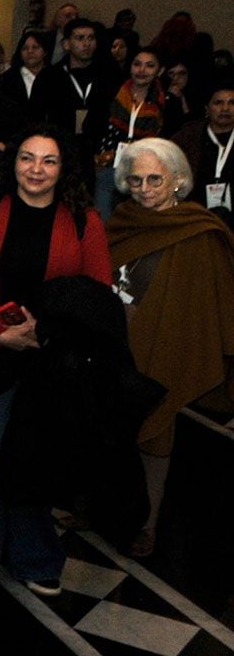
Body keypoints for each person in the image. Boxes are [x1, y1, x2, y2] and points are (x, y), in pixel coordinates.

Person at [0, 127, 111, 596]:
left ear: (64, 169)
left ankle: (35, 556)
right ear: (13, 162)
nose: (36, 170)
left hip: (51, 362)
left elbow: (95, 295)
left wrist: (42, 334)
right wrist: (2, 333)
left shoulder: (86, 222)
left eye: (48, 161)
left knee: (39, 456)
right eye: (27, 158)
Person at [105, 138, 234, 558]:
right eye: (136, 179)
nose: (143, 188)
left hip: (168, 343)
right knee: (104, 426)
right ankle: (98, 506)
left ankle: (147, 524)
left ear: (178, 180)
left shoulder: (200, 232)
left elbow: (211, 306)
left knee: (155, 432)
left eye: (154, 179)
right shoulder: (123, 221)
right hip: (115, 342)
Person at [92, 47, 169, 220]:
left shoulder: (164, 102)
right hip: (108, 164)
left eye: (149, 66)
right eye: (137, 64)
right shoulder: (113, 92)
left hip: (144, 169)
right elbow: (93, 125)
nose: (142, 70)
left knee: (136, 221)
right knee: (102, 220)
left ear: (160, 70)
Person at [172, 82, 234, 226]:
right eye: (218, 103)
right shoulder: (188, 137)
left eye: (232, 103)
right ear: (207, 108)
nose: (225, 108)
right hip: (194, 215)